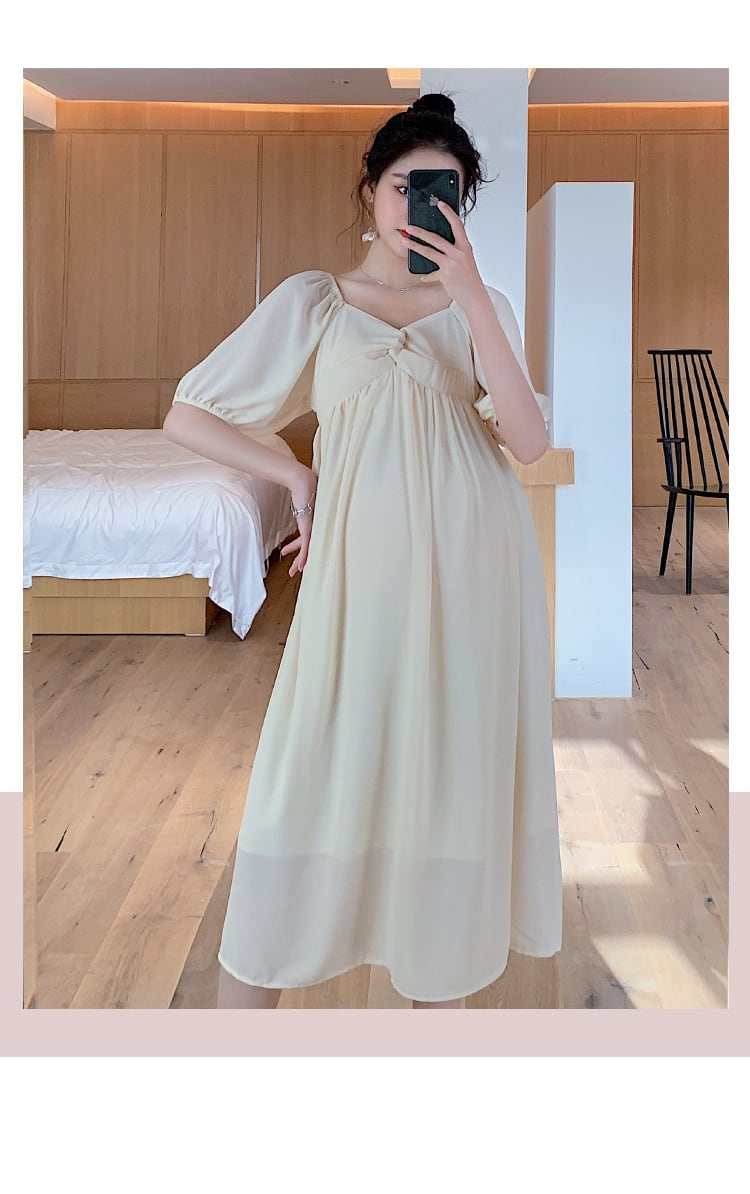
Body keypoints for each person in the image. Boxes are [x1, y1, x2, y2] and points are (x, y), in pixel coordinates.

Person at [162, 93, 563, 1011]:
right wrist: (295, 477)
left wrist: (472, 296)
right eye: (405, 186)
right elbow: (189, 414)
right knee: (309, 765)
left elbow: (530, 441)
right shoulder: (315, 302)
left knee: (449, 764)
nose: (422, 205)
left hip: (474, 567)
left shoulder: (482, 305)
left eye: (445, 190)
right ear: (372, 191)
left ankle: (433, 994)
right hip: (357, 570)